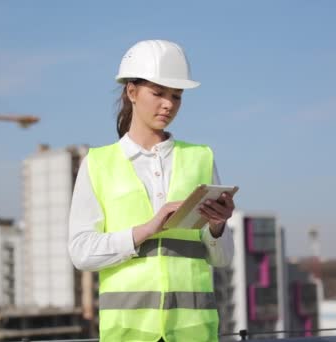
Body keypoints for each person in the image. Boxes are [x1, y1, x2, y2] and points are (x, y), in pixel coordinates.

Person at [68, 40, 235, 342]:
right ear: (132, 92)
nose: (168, 104)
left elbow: (222, 260)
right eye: (158, 93)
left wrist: (217, 227)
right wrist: (144, 230)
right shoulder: (98, 163)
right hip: (127, 334)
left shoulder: (200, 157)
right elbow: (81, 252)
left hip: (193, 334)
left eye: (176, 96)